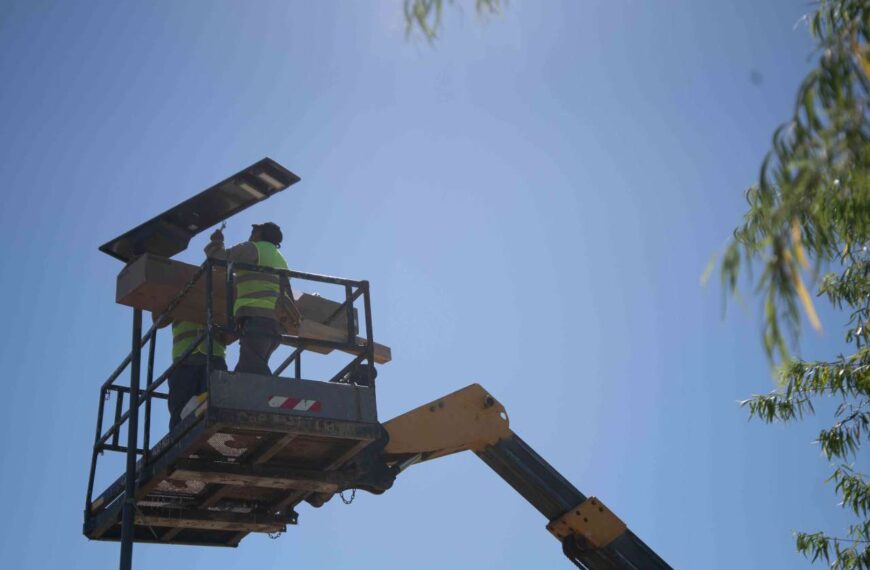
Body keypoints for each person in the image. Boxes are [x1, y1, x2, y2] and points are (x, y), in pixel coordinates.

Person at [205, 222, 289, 375]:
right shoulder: (280, 259)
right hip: (273, 324)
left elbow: (219, 260)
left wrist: (216, 243)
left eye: (254, 231)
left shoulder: (254, 248)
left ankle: (267, 396)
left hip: (257, 319)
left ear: (259, 234)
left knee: (252, 371)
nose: (251, 234)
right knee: (246, 370)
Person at [167, 320, 227, 429]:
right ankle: (181, 442)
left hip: (213, 358)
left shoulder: (220, 302)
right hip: (184, 361)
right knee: (180, 418)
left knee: (217, 411)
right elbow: (157, 316)